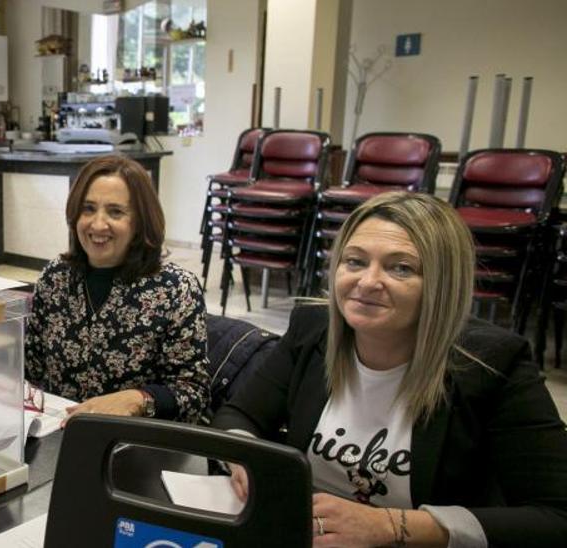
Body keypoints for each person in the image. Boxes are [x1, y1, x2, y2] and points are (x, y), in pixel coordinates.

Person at [213, 192, 567, 547]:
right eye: (354, 261)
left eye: (401, 268)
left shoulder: (494, 363)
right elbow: (240, 415)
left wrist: (387, 525)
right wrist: (248, 461)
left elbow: (555, 517)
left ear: (441, 285)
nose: (367, 282)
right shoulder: (311, 330)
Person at [25, 154, 209, 423]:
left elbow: (194, 394)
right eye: (88, 209)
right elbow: (31, 365)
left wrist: (138, 399)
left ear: (140, 222)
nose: (98, 224)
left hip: (137, 443)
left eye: (116, 212)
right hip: (60, 435)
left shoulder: (176, 290)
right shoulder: (55, 278)